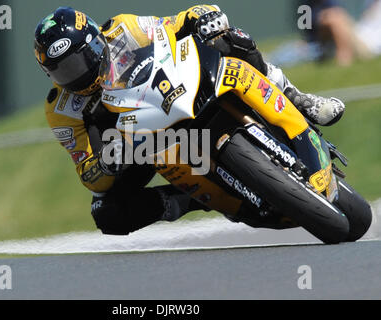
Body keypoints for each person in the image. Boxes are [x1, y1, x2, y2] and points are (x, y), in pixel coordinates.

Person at [33, 5, 345, 235]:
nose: (79, 73)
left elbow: (177, 23)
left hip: (171, 89)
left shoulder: (124, 28)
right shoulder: (61, 109)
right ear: (50, 76)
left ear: (97, 41)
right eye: (64, 71)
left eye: (82, 59)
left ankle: (297, 98)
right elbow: (87, 174)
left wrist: (204, 16)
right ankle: (194, 198)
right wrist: (106, 163)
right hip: (137, 144)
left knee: (230, 39)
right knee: (107, 213)